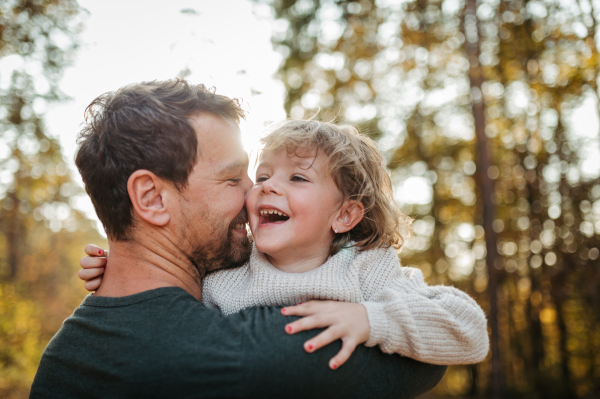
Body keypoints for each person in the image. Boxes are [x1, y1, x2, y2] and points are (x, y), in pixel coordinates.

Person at [30, 79, 446, 399]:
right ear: (152, 198)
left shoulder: (62, 358)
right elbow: (429, 359)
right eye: (234, 178)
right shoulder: (260, 350)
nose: (254, 193)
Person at [81, 119, 489, 370]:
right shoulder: (227, 278)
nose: (266, 188)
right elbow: (166, 308)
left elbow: (469, 330)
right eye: (263, 177)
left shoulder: (367, 270)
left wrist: (371, 320)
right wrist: (116, 267)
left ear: (345, 215)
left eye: (297, 178)